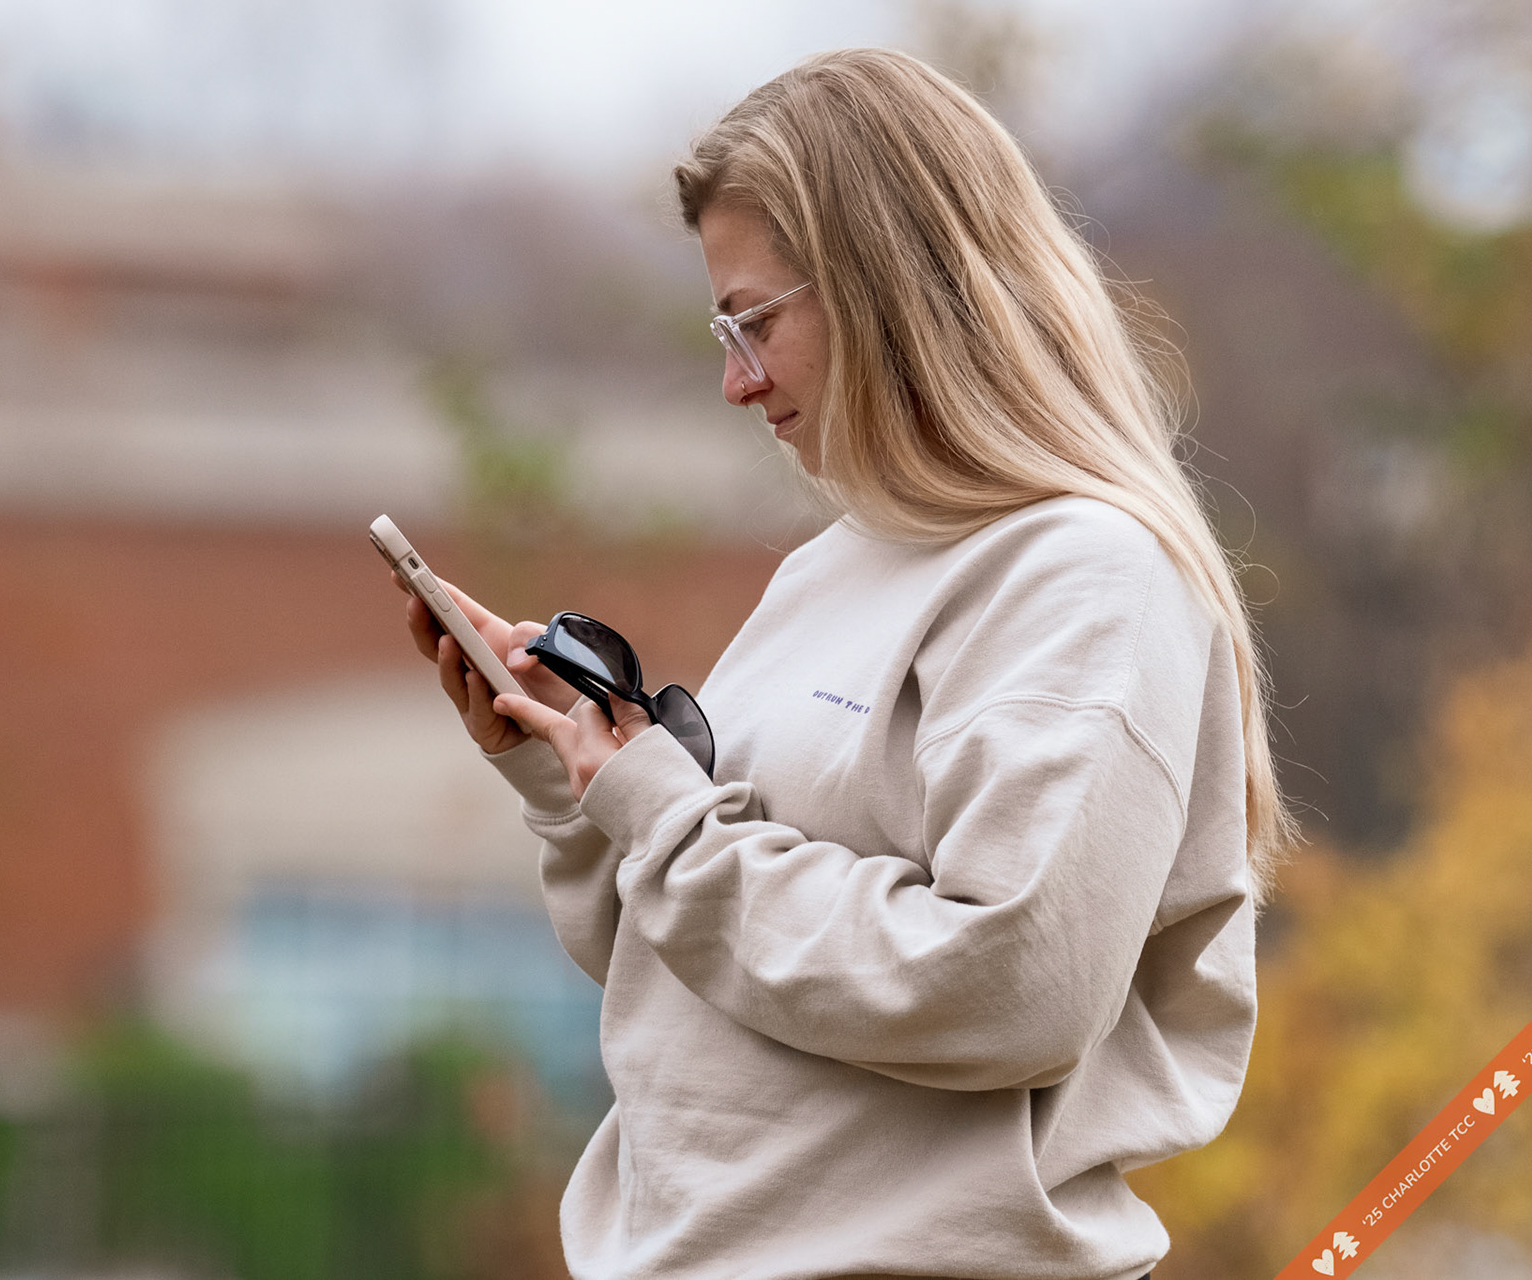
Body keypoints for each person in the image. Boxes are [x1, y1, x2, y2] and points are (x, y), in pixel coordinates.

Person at [396, 47, 1293, 1280]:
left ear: (894, 285)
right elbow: (701, 963)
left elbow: (1008, 983)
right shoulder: (834, 567)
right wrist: (581, 777)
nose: (735, 379)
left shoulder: (1088, 574)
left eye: (755, 321)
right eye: (721, 327)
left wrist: (661, 812)